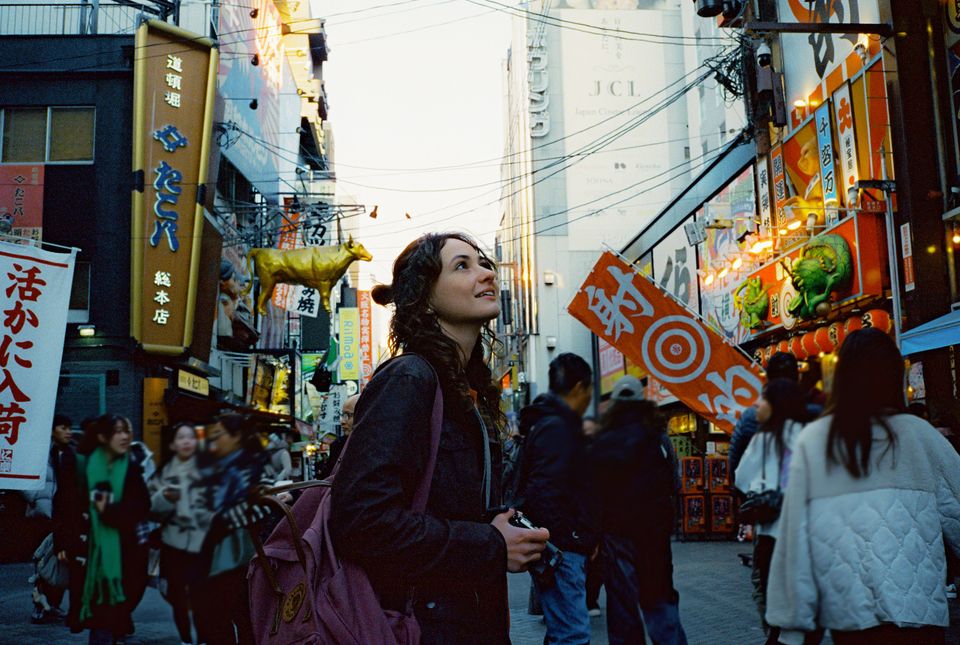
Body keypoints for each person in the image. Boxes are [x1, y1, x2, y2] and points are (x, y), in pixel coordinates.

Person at [330, 232, 549, 645]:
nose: (485, 273)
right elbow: (361, 521)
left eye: (484, 263)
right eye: (462, 266)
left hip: (465, 619)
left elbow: (441, 504)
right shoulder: (409, 379)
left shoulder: (467, 388)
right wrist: (489, 544)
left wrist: (497, 525)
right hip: (417, 626)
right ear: (425, 298)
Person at [766, 328, 960, 645]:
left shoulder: (817, 442)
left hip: (852, 619)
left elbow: (795, 543)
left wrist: (792, 628)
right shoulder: (921, 437)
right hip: (920, 618)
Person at [588, 375, 687, 645]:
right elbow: (673, 483)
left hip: (616, 532)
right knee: (660, 598)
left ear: (616, 403)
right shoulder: (658, 438)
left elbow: (593, 491)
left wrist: (595, 532)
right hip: (653, 533)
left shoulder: (602, 441)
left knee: (622, 605)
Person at [517, 351, 599, 645]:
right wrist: (577, 536)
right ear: (579, 388)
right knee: (572, 635)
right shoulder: (560, 428)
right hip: (563, 549)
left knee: (563, 632)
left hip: (559, 546)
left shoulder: (546, 424)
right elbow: (546, 490)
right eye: (589, 390)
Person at [734, 378, 814, 645]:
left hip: (772, 534)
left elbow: (741, 478)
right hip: (808, 534)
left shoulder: (765, 438)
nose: (758, 404)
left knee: (773, 603)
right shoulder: (812, 435)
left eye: (764, 398)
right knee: (803, 603)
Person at [192, 412, 270, 645]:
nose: (214, 440)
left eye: (219, 435)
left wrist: (221, 520)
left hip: (236, 556)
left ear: (237, 437)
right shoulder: (214, 466)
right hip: (210, 555)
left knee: (237, 620)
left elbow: (262, 507)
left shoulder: (253, 466)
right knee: (216, 620)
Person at [75, 415, 150, 645]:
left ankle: (117, 625)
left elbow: (143, 505)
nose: (125, 436)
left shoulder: (131, 466)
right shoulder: (86, 466)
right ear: (103, 437)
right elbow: (68, 506)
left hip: (129, 548)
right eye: (119, 431)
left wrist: (113, 511)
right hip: (93, 550)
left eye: (127, 431)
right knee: (102, 618)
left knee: (126, 597)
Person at [149, 422, 210, 645]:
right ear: (173, 444)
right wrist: (165, 497)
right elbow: (151, 510)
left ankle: (204, 638)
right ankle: (186, 639)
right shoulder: (164, 472)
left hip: (203, 544)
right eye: (181, 438)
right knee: (177, 596)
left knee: (202, 594)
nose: (186, 442)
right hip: (173, 545)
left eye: (190, 437)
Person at [26, 414, 77, 623]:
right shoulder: (40, 454)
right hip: (43, 516)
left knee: (60, 563)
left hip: (62, 517)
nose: (68, 432)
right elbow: (26, 480)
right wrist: (38, 498)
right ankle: (39, 605)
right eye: (63, 428)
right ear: (52, 430)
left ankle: (53, 604)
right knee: (42, 564)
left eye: (69, 427)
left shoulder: (71, 454)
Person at [318, 394, 358, 478]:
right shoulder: (337, 445)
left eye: (348, 415)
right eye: (343, 415)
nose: (342, 421)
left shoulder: (375, 447)